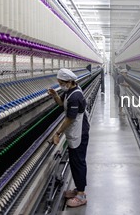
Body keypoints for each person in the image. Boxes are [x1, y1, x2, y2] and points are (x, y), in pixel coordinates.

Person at [47, 68, 90, 208]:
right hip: (75, 132)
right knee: (74, 161)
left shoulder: (75, 96)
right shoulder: (70, 91)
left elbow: (70, 118)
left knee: (78, 162)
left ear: (68, 81)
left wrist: (57, 133)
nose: (60, 84)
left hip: (79, 132)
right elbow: (62, 104)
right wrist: (55, 95)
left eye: (60, 82)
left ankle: (81, 195)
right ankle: (78, 189)